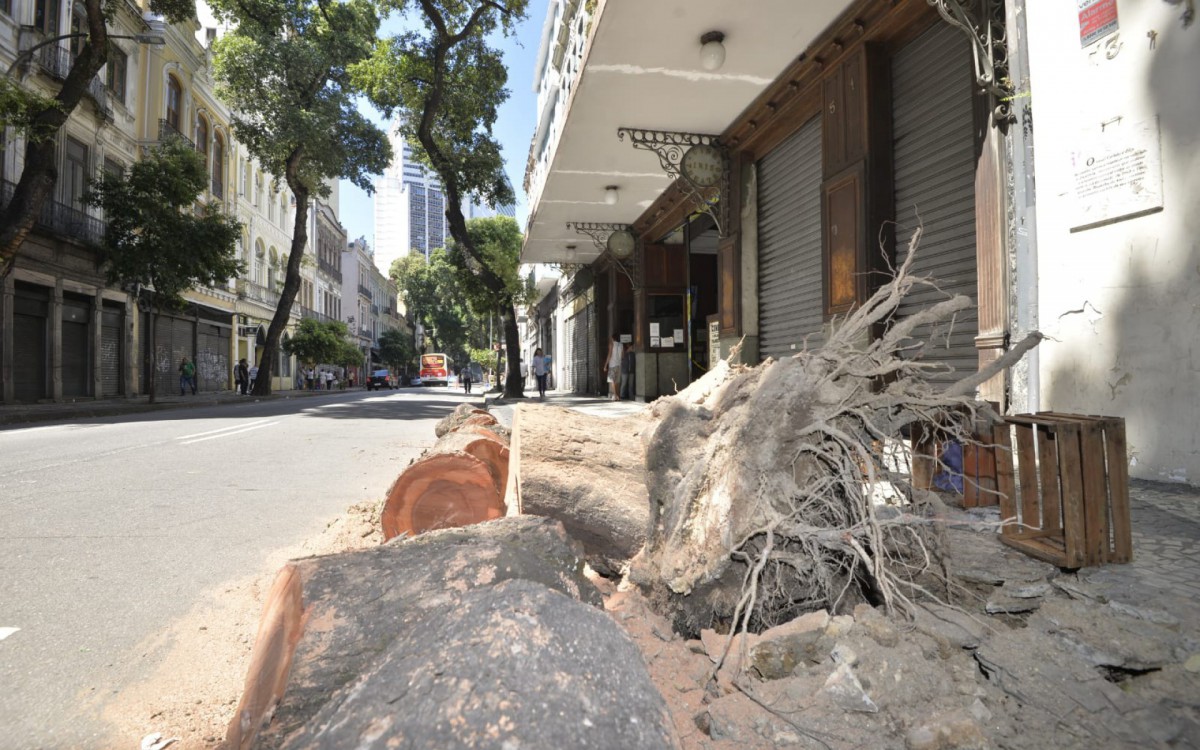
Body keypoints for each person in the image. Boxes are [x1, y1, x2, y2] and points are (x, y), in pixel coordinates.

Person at [602, 333, 623, 401]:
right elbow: (623, 356)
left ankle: (615, 395)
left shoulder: (612, 344)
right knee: (616, 381)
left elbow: (609, 354)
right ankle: (617, 395)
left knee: (612, 380)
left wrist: (605, 365)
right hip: (619, 364)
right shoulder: (621, 345)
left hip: (612, 364)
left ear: (612, 338)